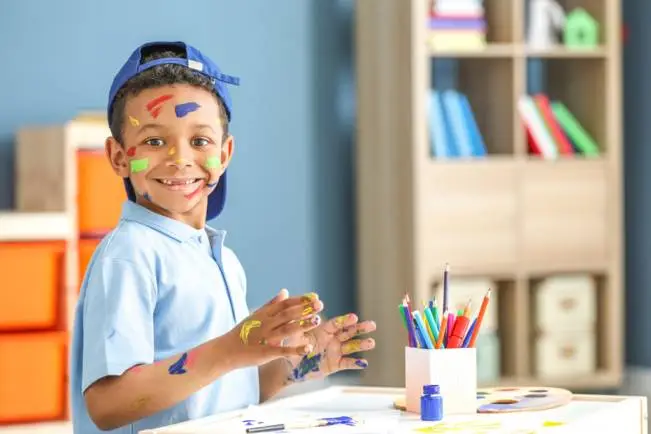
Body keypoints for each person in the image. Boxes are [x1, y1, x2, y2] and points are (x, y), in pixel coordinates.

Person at [68, 41, 377, 434]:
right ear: (118, 157)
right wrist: (231, 348)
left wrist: (298, 361)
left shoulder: (221, 259)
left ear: (225, 152)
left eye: (199, 141)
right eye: (154, 141)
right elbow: (108, 405)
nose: (180, 159)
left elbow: (230, 387)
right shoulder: (129, 255)